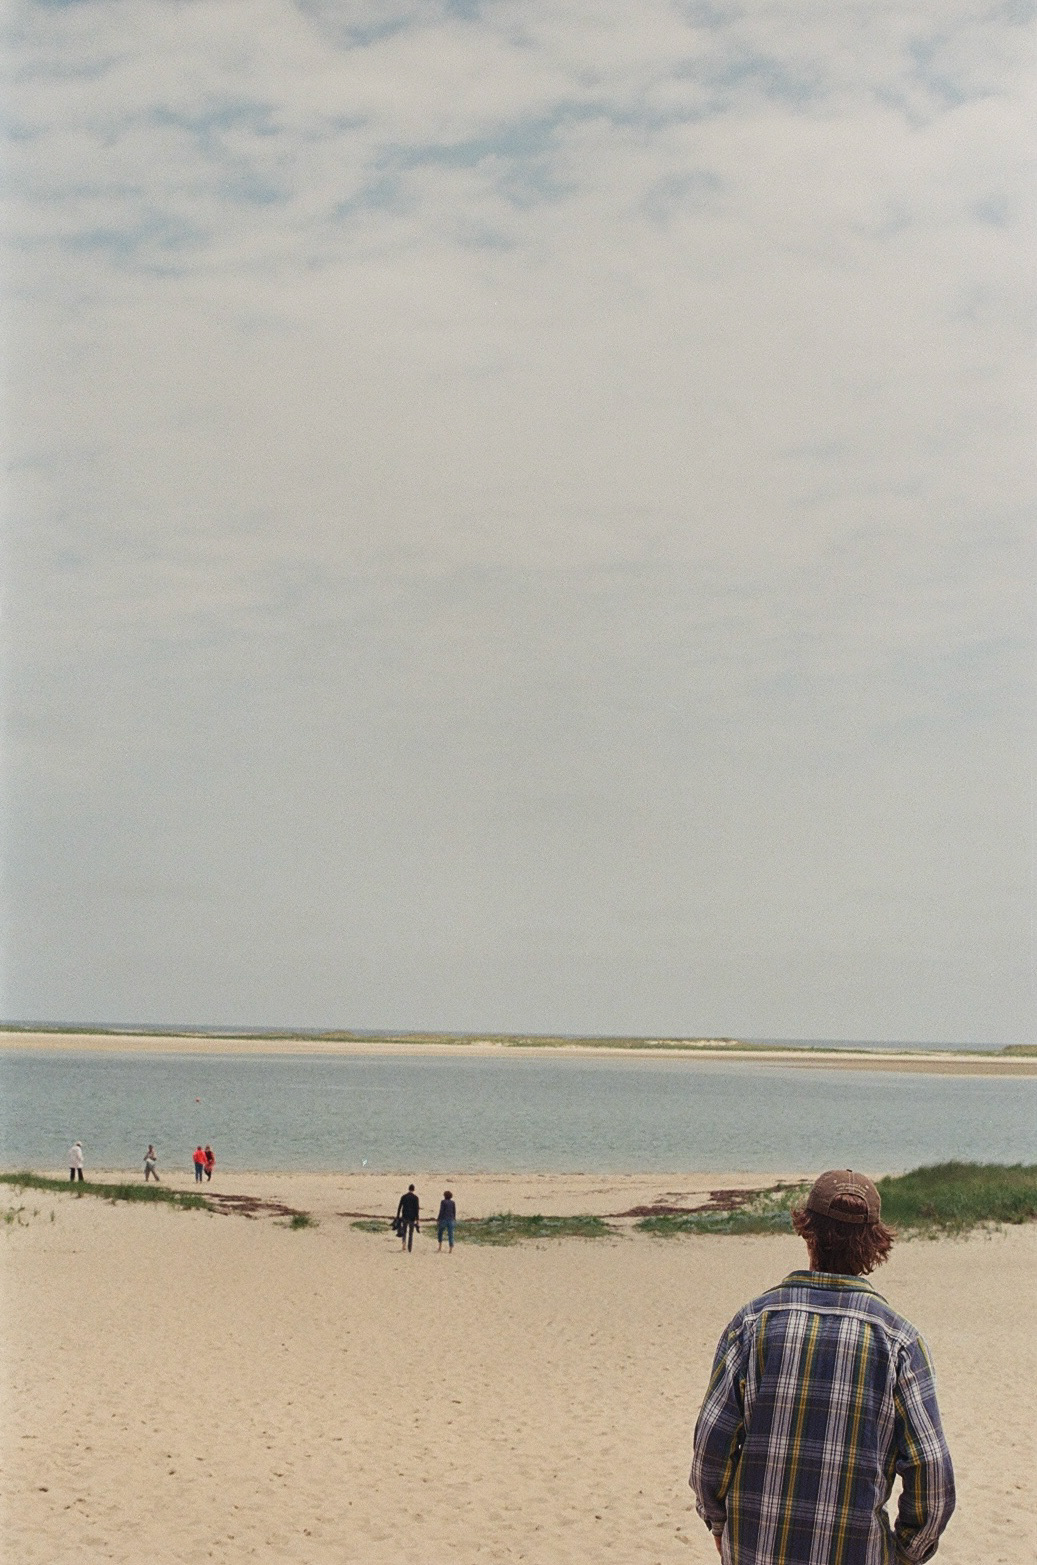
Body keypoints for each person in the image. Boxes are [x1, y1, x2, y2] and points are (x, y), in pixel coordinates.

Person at [690, 1169, 955, 1565]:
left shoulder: (752, 1324)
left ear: (807, 1231)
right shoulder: (900, 1342)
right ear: (874, 1243)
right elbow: (931, 1474)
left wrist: (718, 1522)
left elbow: (711, 1448)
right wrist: (906, 1552)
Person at [395, 1184, 420, 1252]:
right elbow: (416, 1209)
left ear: (408, 1189)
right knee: (411, 1233)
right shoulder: (416, 1198)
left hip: (404, 1216)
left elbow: (399, 1206)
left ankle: (403, 1244)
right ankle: (410, 1247)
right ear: (413, 1189)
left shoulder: (404, 1196)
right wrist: (417, 1219)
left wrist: (397, 1216)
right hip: (412, 1217)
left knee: (404, 1231)